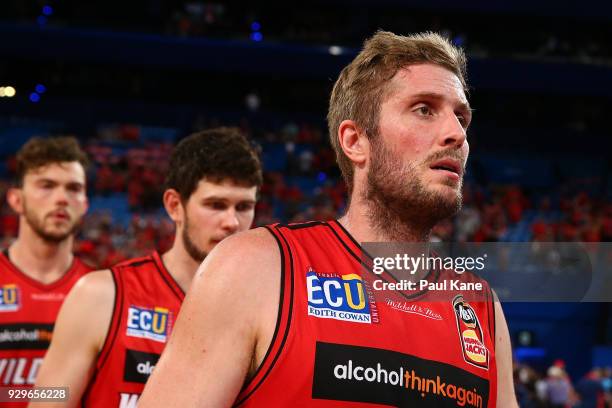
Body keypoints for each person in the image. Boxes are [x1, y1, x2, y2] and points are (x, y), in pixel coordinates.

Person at [139, 31, 518, 407]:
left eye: (462, 118)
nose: (456, 134)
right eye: (424, 109)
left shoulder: (482, 308)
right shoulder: (254, 268)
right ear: (355, 142)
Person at [32, 128, 262, 407]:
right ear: (175, 205)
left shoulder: (264, 309)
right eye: (216, 205)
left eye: (244, 206)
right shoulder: (101, 296)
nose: (233, 222)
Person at [0, 137, 91, 405]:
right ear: (17, 200)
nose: (62, 198)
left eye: (73, 188)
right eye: (46, 186)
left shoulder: (104, 292)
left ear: (84, 204)